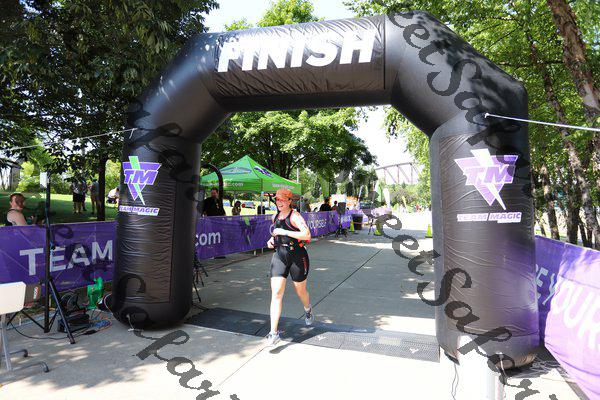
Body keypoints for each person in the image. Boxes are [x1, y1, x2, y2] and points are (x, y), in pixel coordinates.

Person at [265, 188, 314, 346]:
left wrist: (284, 231)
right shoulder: (275, 217)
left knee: (301, 291)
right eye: (277, 199)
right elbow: (276, 235)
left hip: (297, 256)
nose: (278, 202)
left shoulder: (295, 216)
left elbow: (307, 235)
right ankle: (273, 333)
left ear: (289, 201)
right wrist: (272, 240)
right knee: (276, 293)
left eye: (282, 199)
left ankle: (307, 309)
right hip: (280, 255)